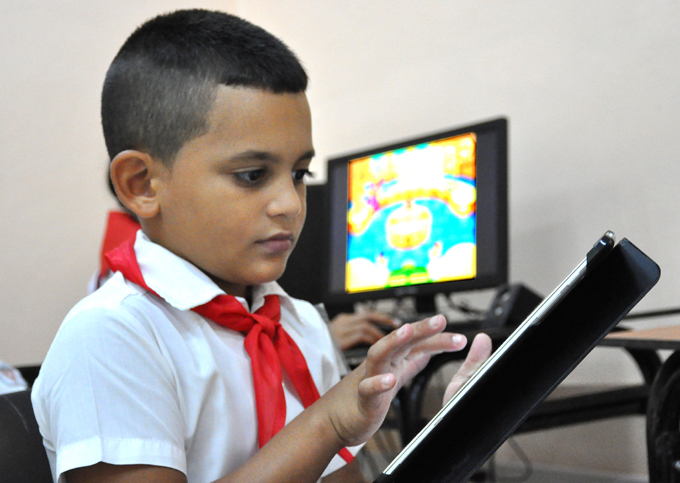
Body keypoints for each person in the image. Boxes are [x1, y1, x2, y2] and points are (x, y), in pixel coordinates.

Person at [31, 9, 492, 483]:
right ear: (142, 184)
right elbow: (323, 429)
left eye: (299, 174)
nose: (290, 204)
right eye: (252, 175)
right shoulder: (112, 335)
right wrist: (328, 423)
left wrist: (447, 446)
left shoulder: (301, 324)